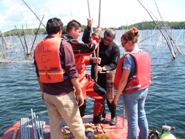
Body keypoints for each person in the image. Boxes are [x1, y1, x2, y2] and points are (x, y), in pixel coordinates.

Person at [34, 17, 86, 139]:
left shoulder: (38, 47)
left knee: (54, 125)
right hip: (63, 94)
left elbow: (39, 73)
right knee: (76, 125)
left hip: (47, 93)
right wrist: (78, 92)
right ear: (60, 30)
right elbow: (72, 71)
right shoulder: (63, 44)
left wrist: (42, 91)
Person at [63, 19, 107, 123]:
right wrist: (96, 34)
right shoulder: (68, 43)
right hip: (75, 82)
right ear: (73, 30)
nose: (79, 34)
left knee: (101, 94)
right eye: (79, 32)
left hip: (84, 79)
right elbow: (90, 48)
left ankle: (97, 118)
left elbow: (78, 60)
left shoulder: (73, 43)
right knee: (80, 107)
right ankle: (76, 128)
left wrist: (92, 60)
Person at [113, 27, 151, 139]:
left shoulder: (128, 58)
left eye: (123, 44)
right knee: (142, 114)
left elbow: (124, 80)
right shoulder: (144, 53)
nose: (122, 46)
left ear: (130, 42)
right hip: (144, 89)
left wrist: (116, 96)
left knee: (132, 120)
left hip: (132, 92)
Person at [82, 25, 120, 125]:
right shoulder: (97, 42)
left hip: (108, 76)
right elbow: (85, 40)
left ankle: (113, 116)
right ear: (104, 36)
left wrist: (103, 68)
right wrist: (89, 27)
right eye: (106, 39)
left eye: (109, 40)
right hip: (95, 75)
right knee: (99, 96)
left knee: (109, 97)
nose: (107, 41)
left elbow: (114, 64)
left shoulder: (115, 48)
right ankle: (101, 115)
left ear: (113, 39)